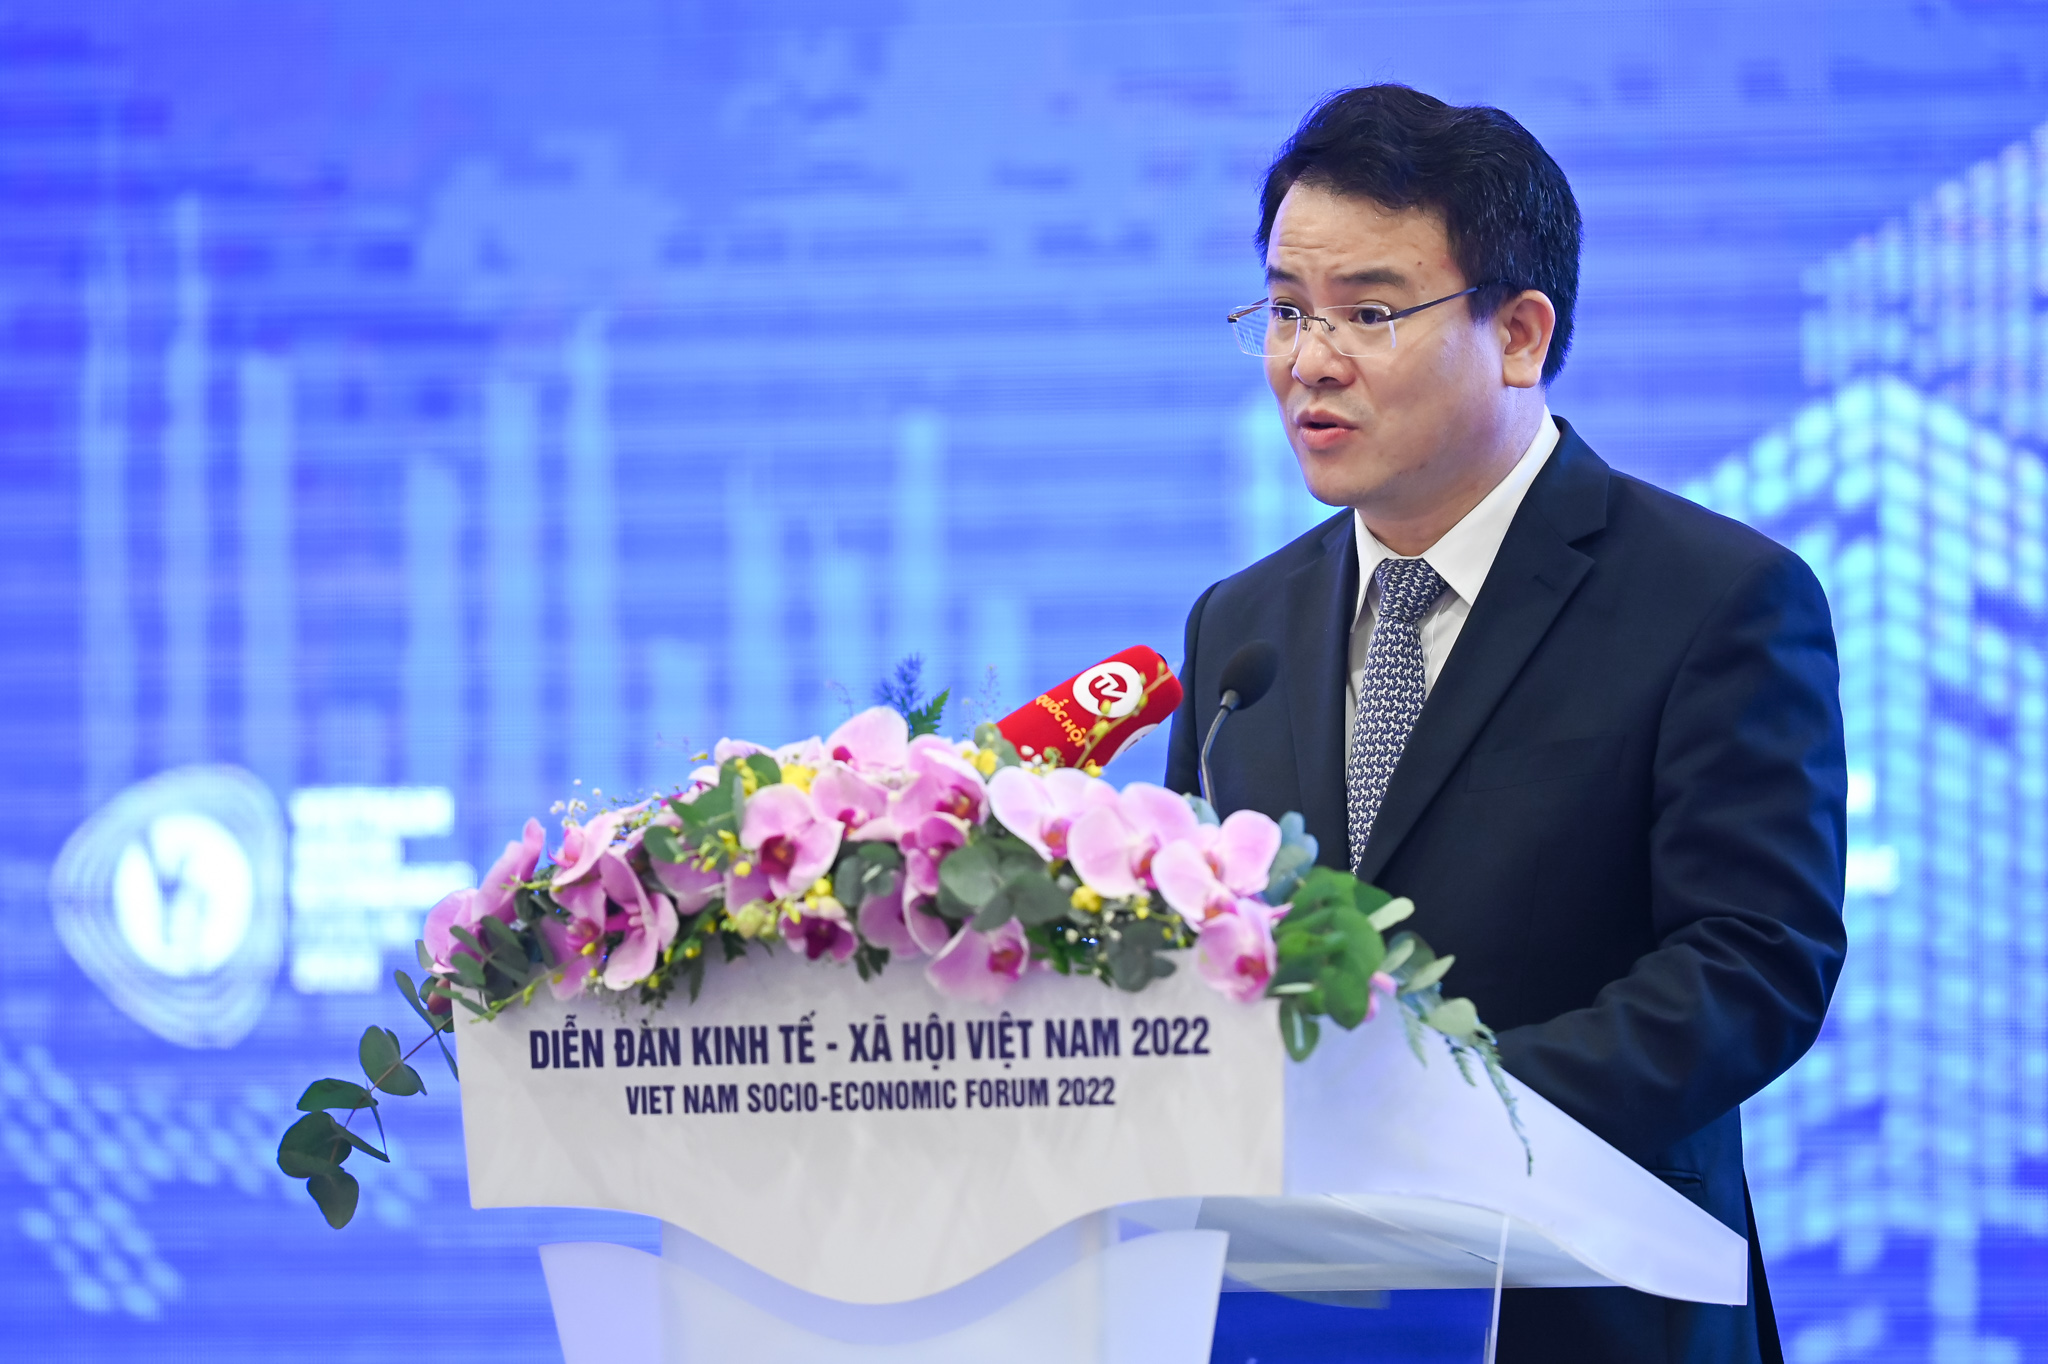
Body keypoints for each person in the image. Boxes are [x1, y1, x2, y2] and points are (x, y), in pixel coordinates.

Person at [1162, 85, 1846, 1364]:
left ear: (1519, 333)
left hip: (1590, 1312)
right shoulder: (1238, 624)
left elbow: (1754, 958)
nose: (1308, 359)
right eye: (1286, 309)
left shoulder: (1712, 598)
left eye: (1368, 312)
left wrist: (1447, 1112)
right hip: (1287, 1309)